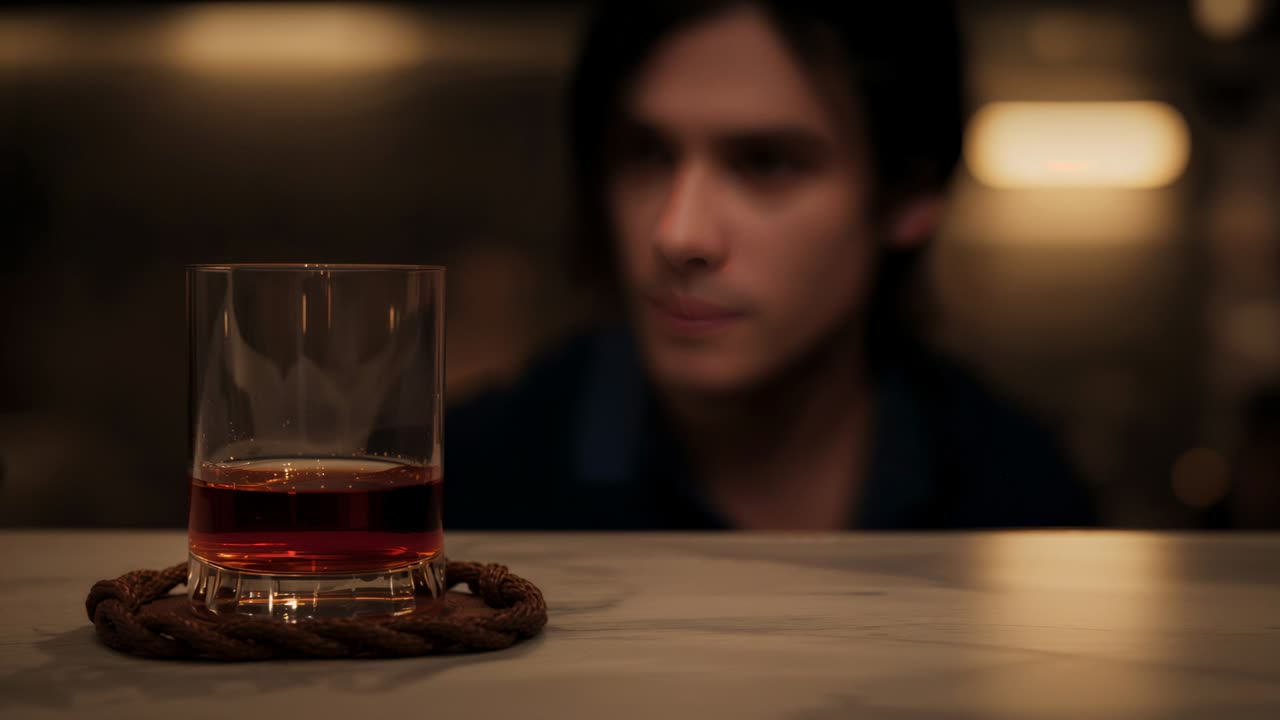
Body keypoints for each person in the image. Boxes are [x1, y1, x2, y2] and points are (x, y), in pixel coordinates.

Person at [445, 1, 1097, 530]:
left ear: (909, 195)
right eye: (645, 155)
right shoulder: (475, 481)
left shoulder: (1015, 502)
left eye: (766, 164)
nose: (678, 235)